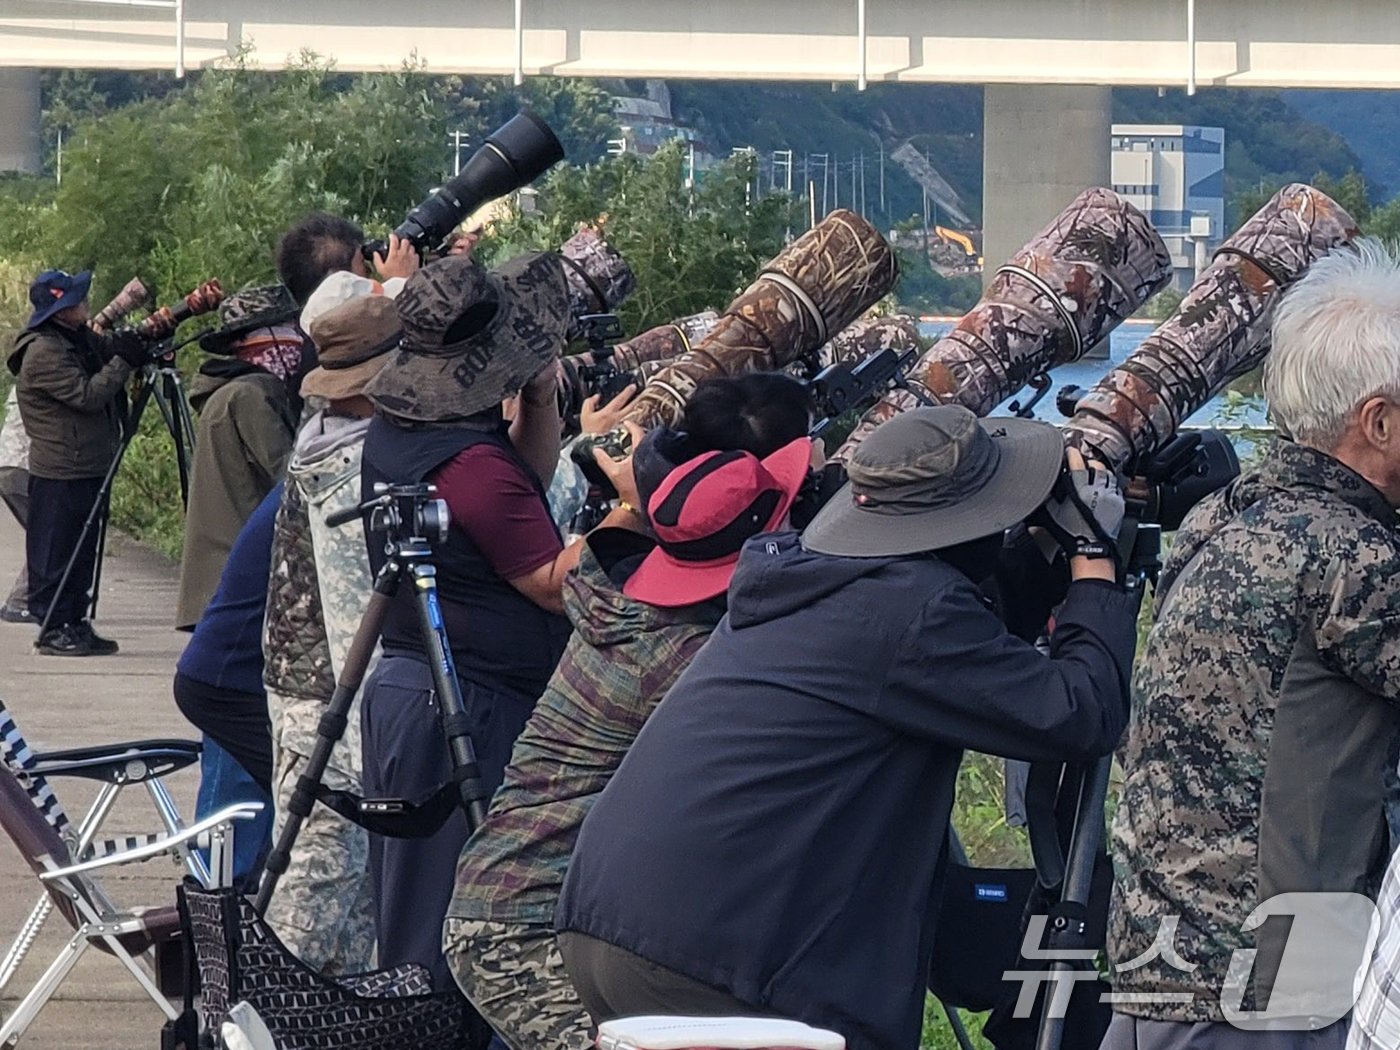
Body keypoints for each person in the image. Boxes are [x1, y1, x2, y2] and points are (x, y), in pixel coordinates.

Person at [555, 405, 1140, 1050]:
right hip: (723, 958)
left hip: (619, 927)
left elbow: (970, 627)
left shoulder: (816, 584)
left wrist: (1042, 549)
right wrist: (1093, 555)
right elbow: (1081, 712)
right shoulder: (908, 613)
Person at [443, 374, 820, 1050]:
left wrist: (643, 489)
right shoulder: (683, 657)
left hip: (521, 900)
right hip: (529, 928)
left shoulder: (613, 580)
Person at [1103, 240, 1400, 1050]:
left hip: (1156, 968)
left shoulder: (1222, 518)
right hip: (1267, 989)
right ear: (1378, 421)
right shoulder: (1352, 559)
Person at [356, 251, 646, 988]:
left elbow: (520, 490)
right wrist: (634, 503)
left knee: (417, 907)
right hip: (460, 707)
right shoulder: (466, 464)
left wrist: (541, 400)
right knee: (453, 922)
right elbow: (551, 581)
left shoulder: (412, 428)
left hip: (417, 686)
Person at [259, 284, 404, 973]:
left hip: (304, 692)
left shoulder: (322, 436)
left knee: (343, 902)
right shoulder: (351, 466)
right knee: (312, 901)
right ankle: (269, 1018)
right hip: (329, 704)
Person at [7, 269, 148, 656]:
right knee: (56, 551)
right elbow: (87, 396)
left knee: (82, 549)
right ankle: (53, 627)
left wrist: (137, 345)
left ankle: (74, 621)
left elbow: (107, 352)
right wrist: (123, 363)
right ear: (59, 310)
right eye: (76, 299)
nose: (85, 302)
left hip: (85, 462)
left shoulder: (73, 338)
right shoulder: (43, 353)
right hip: (60, 467)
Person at [175, 285, 304, 630]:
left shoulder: (231, 392)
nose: (298, 342)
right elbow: (293, 476)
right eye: (290, 331)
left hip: (220, 575)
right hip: (240, 577)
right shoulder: (251, 395)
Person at [172, 484, 282, 881]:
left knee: (256, 790)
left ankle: (225, 887)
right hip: (231, 676)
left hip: (231, 665)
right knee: (239, 797)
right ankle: (214, 898)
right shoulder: (313, 485)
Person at [274, 212, 419, 306]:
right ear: (340, 282)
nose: (369, 272)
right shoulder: (366, 335)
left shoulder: (305, 341)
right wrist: (403, 284)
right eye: (362, 264)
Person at [0, 387, 31, 623]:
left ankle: (21, 600)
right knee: (55, 536)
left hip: (11, 464)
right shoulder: (50, 363)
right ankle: (22, 600)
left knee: (51, 535)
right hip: (22, 467)